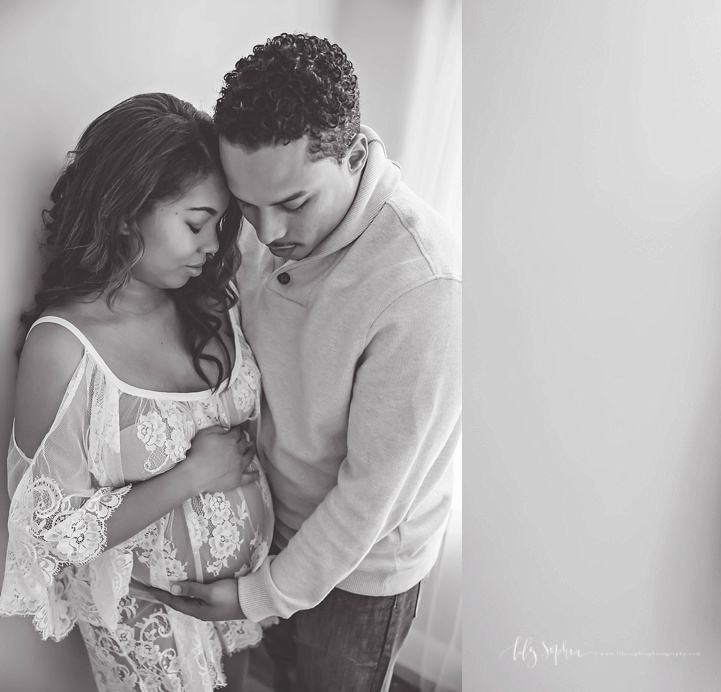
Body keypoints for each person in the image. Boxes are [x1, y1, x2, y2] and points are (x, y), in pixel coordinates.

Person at [145, 33, 462, 692]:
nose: (269, 233)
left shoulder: (423, 287)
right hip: (266, 526)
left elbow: (367, 500)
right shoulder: (270, 214)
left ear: (353, 155)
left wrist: (258, 596)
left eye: (292, 205)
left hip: (360, 576)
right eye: (248, 206)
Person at [0, 92, 269, 691]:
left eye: (221, 224)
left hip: (245, 602)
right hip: (148, 630)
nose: (213, 244)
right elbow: (50, 529)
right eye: (196, 223)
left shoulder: (214, 303)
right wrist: (191, 476)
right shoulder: (64, 347)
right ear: (125, 213)